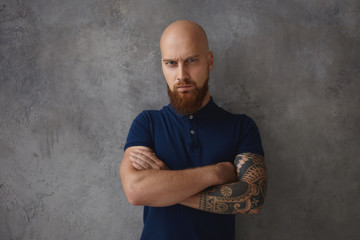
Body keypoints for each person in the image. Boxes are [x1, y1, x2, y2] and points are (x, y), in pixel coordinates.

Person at [120, 19, 268, 240]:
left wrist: (163, 186)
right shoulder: (147, 123)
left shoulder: (241, 127)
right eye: (171, 63)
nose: (181, 75)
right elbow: (135, 191)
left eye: (190, 60)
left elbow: (252, 199)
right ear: (162, 65)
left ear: (209, 61)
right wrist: (216, 173)